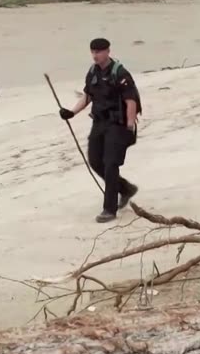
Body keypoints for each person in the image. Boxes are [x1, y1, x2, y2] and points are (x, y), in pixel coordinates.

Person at [59, 38, 141, 223]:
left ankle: (109, 209)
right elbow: (88, 96)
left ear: (108, 51)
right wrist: (71, 112)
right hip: (99, 123)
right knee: (95, 161)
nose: (95, 55)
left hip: (118, 124)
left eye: (99, 51)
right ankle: (126, 189)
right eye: (93, 51)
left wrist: (129, 126)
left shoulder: (120, 73)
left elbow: (131, 101)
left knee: (110, 164)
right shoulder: (92, 72)